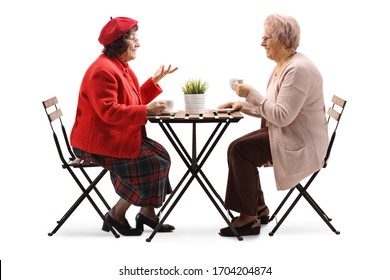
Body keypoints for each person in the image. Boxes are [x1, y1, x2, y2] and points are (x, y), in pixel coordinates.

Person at [218, 14, 328, 236]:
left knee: (240, 150)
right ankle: (258, 207)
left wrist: (251, 95)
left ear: (284, 42)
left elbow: (282, 116)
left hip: (301, 142)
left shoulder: (298, 70)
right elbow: (274, 107)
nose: (262, 43)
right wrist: (242, 105)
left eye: (267, 38)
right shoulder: (284, 65)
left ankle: (249, 219)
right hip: (288, 133)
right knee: (237, 147)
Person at [70, 17, 178, 236]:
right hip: (96, 142)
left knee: (161, 155)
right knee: (152, 162)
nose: (138, 44)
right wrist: (146, 111)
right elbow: (109, 111)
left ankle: (147, 213)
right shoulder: (103, 71)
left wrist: (154, 82)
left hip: (110, 135)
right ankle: (115, 215)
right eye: (133, 39)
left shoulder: (119, 67)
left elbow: (129, 100)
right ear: (120, 43)